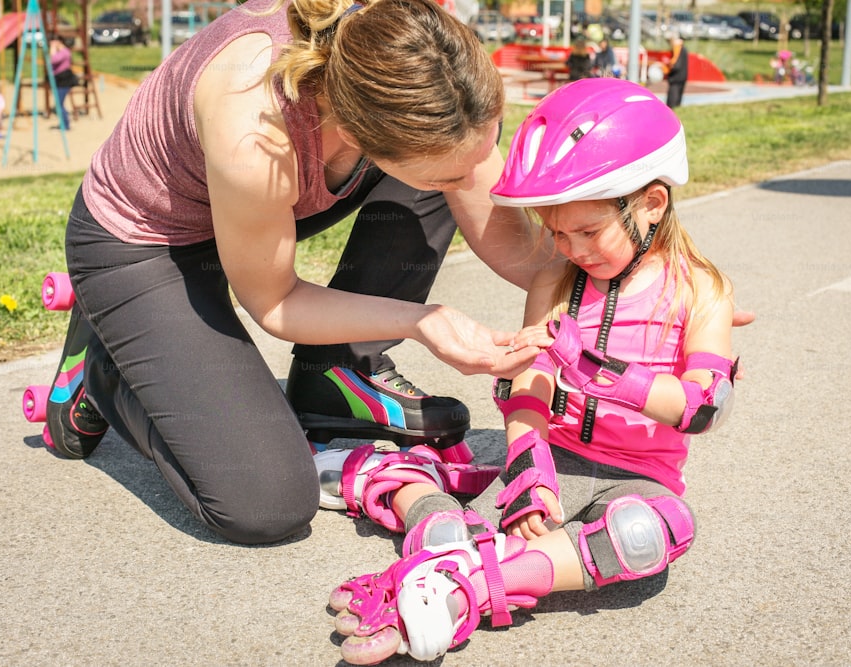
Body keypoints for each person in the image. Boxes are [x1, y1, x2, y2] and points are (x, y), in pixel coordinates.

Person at [37, 0, 546, 546]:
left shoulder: (414, 55)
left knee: (442, 173)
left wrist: (605, 285)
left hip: (258, 210)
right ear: (356, 132)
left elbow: (522, 247)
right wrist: (424, 320)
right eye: (457, 172)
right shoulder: (253, 127)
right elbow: (276, 301)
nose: (478, 179)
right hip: (147, 243)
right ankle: (111, 365)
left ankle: (335, 374)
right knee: (267, 502)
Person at [317, 78, 739, 665]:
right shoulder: (555, 277)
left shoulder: (703, 292)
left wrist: (596, 368)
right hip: (556, 460)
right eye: (558, 232)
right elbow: (527, 383)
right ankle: (397, 489)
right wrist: (528, 467)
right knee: (453, 535)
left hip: (639, 474)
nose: (572, 249)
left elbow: (702, 408)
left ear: (651, 202)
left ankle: (468, 581)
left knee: (656, 532)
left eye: (588, 232)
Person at [48, 37, 78, 130]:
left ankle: (65, 124)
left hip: (63, 81)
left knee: (59, 104)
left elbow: (52, 60)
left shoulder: (64, 52)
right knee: (59, 104)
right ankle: (64, 123)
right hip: (59, 80)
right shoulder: (63, 52)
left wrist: (53, 48)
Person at [665, 35, 689, 108]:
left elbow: (676, 64)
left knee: (672, 102)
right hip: (682, 77)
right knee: (678, 100)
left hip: (675, 78)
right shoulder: (683, 48)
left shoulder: (677, 48)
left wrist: (668, 69)